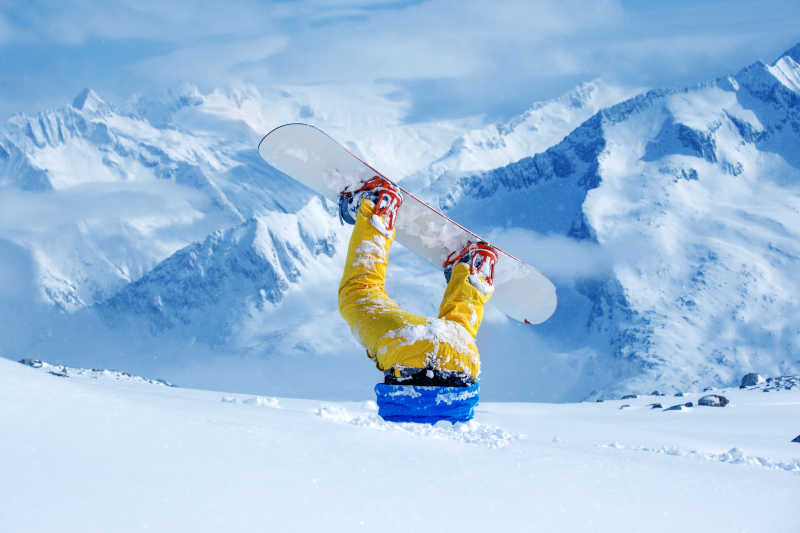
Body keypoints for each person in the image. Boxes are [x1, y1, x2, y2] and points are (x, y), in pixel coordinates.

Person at [337, 176, 497, 387]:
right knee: (360, 293)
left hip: (463, 359)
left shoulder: (456, 421)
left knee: (456, 332)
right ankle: (377, 207)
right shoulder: (399, 416)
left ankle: (474, 270)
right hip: (405, 349)